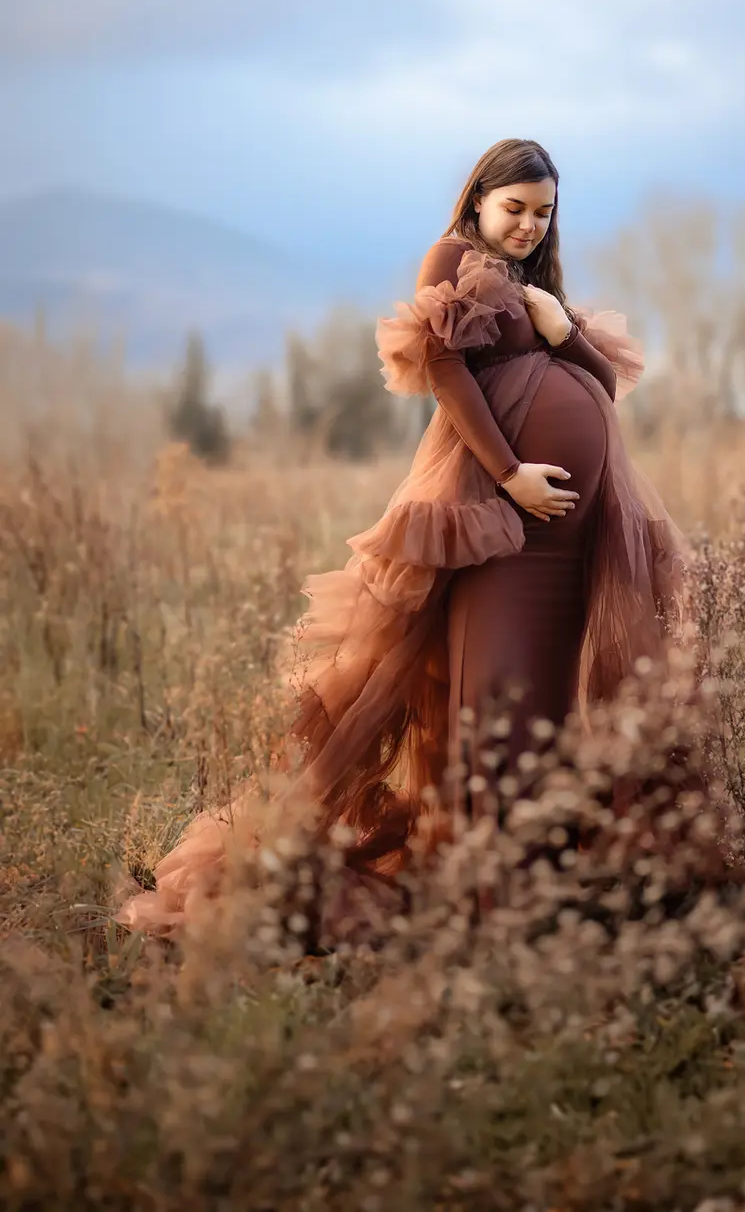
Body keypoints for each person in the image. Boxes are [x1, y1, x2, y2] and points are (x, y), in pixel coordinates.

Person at [118, 138, 697, 940]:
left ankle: (533, 888)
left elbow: (604, 386)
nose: (529, 225)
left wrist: (562, 329)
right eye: (515, 208)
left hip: (567, 541)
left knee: (548, 707)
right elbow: (446, 373)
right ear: (478, 202)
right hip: (500, 527)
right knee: (498, 702)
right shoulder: (450, 258)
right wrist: (509, 476)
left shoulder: (534, 286)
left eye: (544, 212)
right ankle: (486, 901)